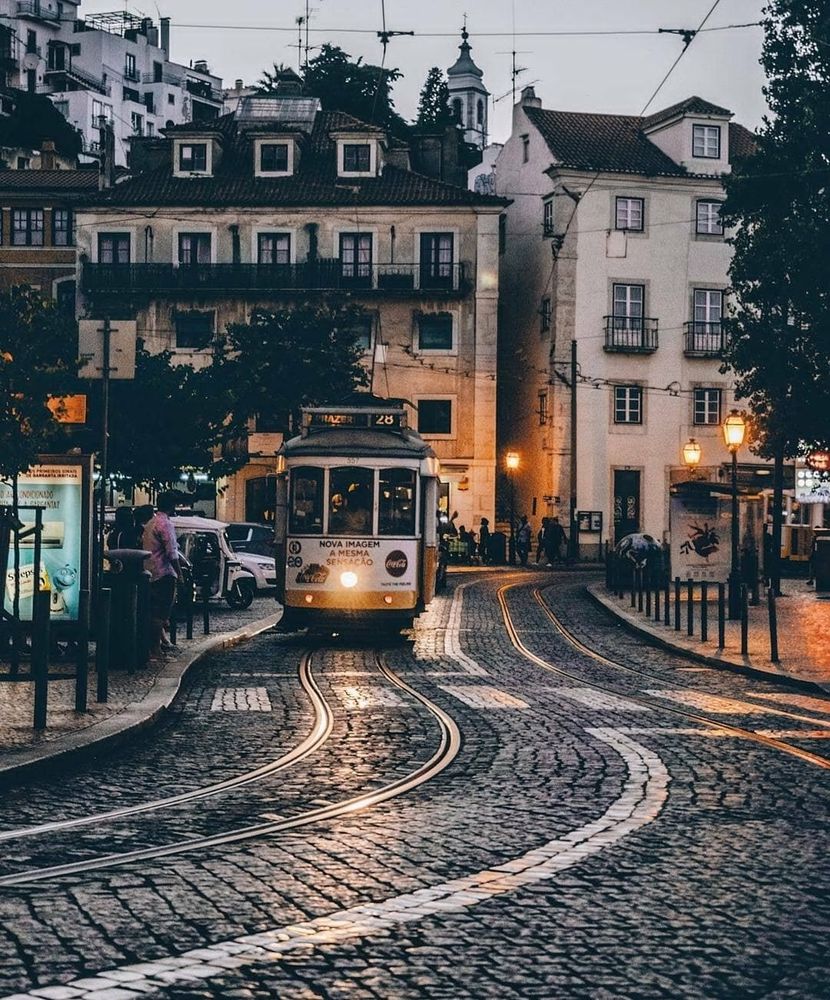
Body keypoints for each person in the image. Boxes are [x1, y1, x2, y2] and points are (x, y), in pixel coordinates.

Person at [142, 491, 181, 658]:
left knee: (152, 612)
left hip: (150, 571)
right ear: (172, 505)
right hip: (163, 573)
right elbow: (172, 552)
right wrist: (180, 574)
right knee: (160, 613)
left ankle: (153, 647)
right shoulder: (165, 524)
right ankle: (155, 650)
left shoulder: (151, 522)